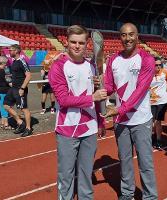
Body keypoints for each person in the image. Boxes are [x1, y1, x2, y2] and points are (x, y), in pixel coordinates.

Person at [48, 25, 107, 200]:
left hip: (89, 128)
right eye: (73, 42)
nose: (77, 46)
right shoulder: (58, 67)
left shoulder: (92, 66)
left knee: (86, 174)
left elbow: (99, 97)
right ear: (66, 42)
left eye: (81, 43)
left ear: (87, 44)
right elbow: (63, 100)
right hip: (68, 129)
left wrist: (101, 122)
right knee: (66, 176)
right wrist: (92, 97)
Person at [104, 23, 158, 200]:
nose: (127, 38)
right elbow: (110, 87)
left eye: (131, 34)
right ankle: (127, 194)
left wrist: (119, 109)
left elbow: (140, 91)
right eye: (123, 35)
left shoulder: (147, 59)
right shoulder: (113, 60)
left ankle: (150, 196)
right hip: (121, 121)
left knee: (145, 162)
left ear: (137, 35)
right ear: (120, 37)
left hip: (141, 120)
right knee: (125, 161)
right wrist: (100, 86)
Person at [3, 44, 32, 137]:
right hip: (13, 88)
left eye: (11, 50)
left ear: (16, 51)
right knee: (6, 105)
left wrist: (22, 88)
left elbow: (28, 75)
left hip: (20, 88)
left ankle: (28, 128)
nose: (9, 52)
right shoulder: (14, 62)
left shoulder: (22, 61)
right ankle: (20, 122)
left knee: (24, 108)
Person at [150, 57, 167, 150]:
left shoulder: (165, 73)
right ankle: (154, 136)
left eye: (160, 65)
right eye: (156, 65)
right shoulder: (148, 74)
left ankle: (158, 140)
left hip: (162, 101)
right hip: (150, 102)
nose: (158, 66)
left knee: (157, 121)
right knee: (151, 122)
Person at [0, 56, 12, 129]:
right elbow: (8, 81)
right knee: (6, 107)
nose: (6, 64)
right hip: (4, 91)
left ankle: (3, 123)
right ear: (3, 63)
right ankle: (6, 124)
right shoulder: (3, 70)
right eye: (5, 62)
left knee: (2, 106)